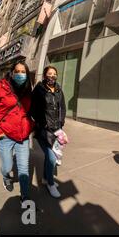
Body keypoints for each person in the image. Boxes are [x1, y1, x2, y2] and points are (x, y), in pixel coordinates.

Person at [0, 60, 34, 204]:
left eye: (23, 72)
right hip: (5, 135)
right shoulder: (1, 87)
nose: (20, 74)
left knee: (24, 168)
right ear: (11, 73)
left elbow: (30, 111)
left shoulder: (28, 89)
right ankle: (6, 178)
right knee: (7, 166)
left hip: (23, 136)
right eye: (17, 71)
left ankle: (25, 196)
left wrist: (30, 125)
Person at [31, 66, 66, 198]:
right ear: (45, 75)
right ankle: (50, 184)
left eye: (54, 74)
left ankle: (46, 178)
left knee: (52, 156)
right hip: (43, 131)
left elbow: (62, 107)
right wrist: (41, 122)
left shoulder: (58, 89)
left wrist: (61, 123)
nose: (52, 76)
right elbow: (32, 108)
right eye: (49, 74)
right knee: (52, 158)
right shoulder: (39, 89)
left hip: (56, 130)